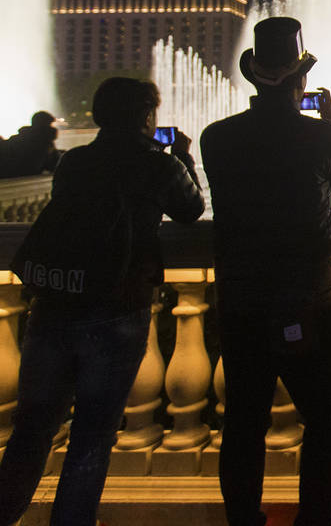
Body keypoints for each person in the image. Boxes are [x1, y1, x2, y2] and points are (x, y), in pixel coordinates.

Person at [0, 78, 204, 526]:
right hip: (115, 310)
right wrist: (182, 158)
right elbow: (191, 210)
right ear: (147, 118)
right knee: (91, 437)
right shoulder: (157, 166)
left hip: (55, 305)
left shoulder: (75, 162)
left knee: (31, 431)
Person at [201, 17, 331, 526]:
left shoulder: (217, 138)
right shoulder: (322, 137)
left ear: (252, 76)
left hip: (242, 305)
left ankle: (244, 519)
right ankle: (314, 518)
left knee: (245, 424)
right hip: (310, 305)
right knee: (325, 422)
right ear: (302, 81)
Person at [0, 111, 64, 178]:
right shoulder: (45, 143)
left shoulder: (19, 138)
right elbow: (54, 165)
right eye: (51, 124)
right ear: (47, 125)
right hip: (23, 173)